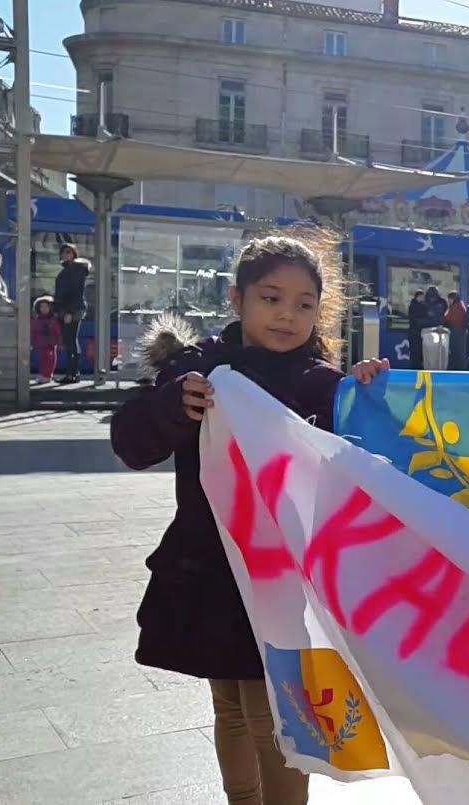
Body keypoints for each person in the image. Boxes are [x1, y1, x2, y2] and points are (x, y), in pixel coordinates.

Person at [110, 234, 351, 805]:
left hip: (286, 578)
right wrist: (172, 406)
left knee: (279, 712)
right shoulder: (198, 370)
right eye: (271, 297)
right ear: (236, 300)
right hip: (211, 570)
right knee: (231, 706)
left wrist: (370, 389)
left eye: (304, 303)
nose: (287, 314)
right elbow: (131, 442)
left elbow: (368, 464)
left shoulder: (323, 384)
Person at [52, 244, 91, 384]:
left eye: (69, 252)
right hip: (66, 309)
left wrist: (69, 312)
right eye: (63, 252)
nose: (65, 254)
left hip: (72, 310)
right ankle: (73, 374)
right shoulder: (68, 270)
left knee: (70, 342)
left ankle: (72, 375)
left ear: (74, 254)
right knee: (70, 341)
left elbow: (75, 292)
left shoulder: (76, 270)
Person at [31, 296, 60, 383]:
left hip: (50, 344)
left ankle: (48, 376)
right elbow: (34, 332)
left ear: (50, 308)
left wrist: (59, 342)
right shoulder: (37, 320)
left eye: (46, 307)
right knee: (42, 360)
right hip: (41, 344)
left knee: (50, 360)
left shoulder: (54, 320)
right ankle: (43, 374)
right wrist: (33, 342)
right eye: (41, 307)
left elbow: (57, 332)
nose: (43, 309)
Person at [445, 290, 469, 370]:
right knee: (460, 351)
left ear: (453, 299)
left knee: (455, 351)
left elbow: (448, 318)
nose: (449, 301)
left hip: (456, 331)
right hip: (460, 331)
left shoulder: (455, 307)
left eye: (449, 299)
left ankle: (455, 368)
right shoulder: (460, 305)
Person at [407, 289, 427, 369]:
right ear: (418, 297)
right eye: (422, 297)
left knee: (417, 352)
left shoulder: (414, 305)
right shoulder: (415, 306)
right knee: (416, 352)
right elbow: (416, 320)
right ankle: (415, 367)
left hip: (416, 333)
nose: (423, 299)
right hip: (415, 333)